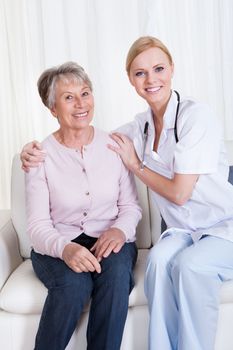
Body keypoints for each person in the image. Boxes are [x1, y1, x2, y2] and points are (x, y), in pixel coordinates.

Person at [20, 36, 233, 350]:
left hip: (221, 226)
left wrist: (124, 215)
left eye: (158, 68)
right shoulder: (136, 128)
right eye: (140, 73)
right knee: (158, 262)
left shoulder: (195, 117)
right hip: (180, 231)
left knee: (185, 267)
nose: (151, 79)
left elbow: (174, 195)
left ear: (172, 68)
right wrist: (28, 150)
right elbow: (93, 140)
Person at [24, 61, 142, 350]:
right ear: (53, 109)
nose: (81, 104)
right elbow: (38, 226)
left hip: (110, 238)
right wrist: (65, 248)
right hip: (59, 242)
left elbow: (131, 206)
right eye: (68, 97)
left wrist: (119, 232)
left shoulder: (114, 146)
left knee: (115, 278)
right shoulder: (40, 156)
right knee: (73, 285)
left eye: (85, 93)